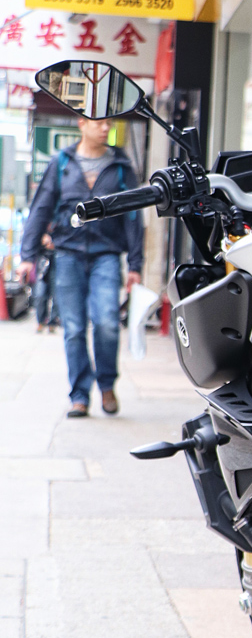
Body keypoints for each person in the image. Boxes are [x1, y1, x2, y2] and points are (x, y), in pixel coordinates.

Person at [17, 118, 144, 418]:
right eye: (99, 123)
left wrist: (136, 264)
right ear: (82, 123)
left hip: (106, 255)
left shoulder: (121, 165)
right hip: (68, 255)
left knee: (107, 322)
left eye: (109, 123)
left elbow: (133, 217)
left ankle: (107, 383)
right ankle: (79, 395)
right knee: (73, 329)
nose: (105, 128)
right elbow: (41, 207)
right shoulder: (62, 162)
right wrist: (27, 255)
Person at [31, 231, 59, 333]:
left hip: (57, 261)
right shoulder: (41, 226)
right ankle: (41, 321)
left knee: (56, 296)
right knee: (40, 294)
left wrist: (55, 242)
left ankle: (53, 322)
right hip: (42, 262)